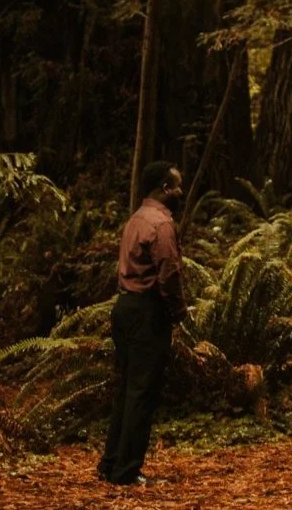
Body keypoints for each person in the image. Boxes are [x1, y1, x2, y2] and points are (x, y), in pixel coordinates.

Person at [98, 160, 188, 486]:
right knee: (141, 391)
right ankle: (127, 471)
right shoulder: (161, 225)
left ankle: (111, 463)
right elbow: (169, 273)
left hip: (124, 307)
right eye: (177, 185)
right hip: (147, 311)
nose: (181, 191)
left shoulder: (135, 218)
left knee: (126, 388)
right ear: (164, 188)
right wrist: (179, 313)